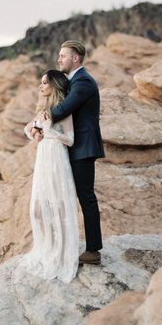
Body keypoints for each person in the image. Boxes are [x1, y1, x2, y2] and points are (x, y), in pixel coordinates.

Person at [31, 40, 104, 266]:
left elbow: (63, 108)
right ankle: (61, 246)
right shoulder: (73, 81)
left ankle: (93, 251)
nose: (59, 59)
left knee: (86, 197)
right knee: (64, 197)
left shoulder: (83, 82)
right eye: (59, 55)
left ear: (75, 58)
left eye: (63, 56)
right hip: (71, 147)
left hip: (82, 148)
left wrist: (39, 122)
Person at [21, 69, 79, 283]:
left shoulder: (63, 111)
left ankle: (61, 256)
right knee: (38, 211)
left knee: (58, 207)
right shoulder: (44, 110)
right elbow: (28, 129)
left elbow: (70, 139)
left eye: (44, 82)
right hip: (43, 159)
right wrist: (36, 131)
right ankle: (47, 251)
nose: (40, 86)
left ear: (54, 85)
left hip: (56, 158)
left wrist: (49, 131)